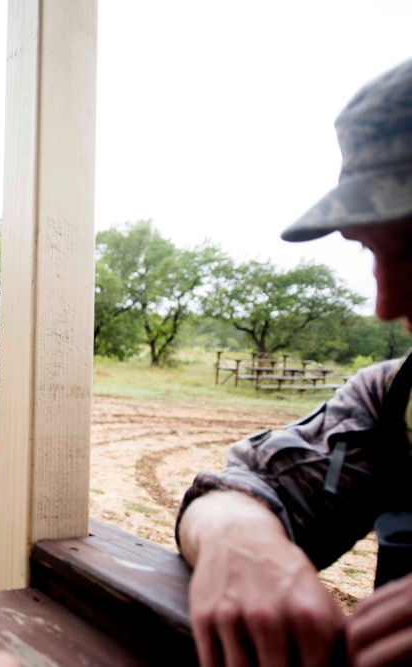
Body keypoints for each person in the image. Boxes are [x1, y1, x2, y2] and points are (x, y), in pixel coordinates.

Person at [176, 56, 412, 667]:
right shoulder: (394, 398)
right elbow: (249, 484)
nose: (386, 304)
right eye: (371, 253)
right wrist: (236, 534)